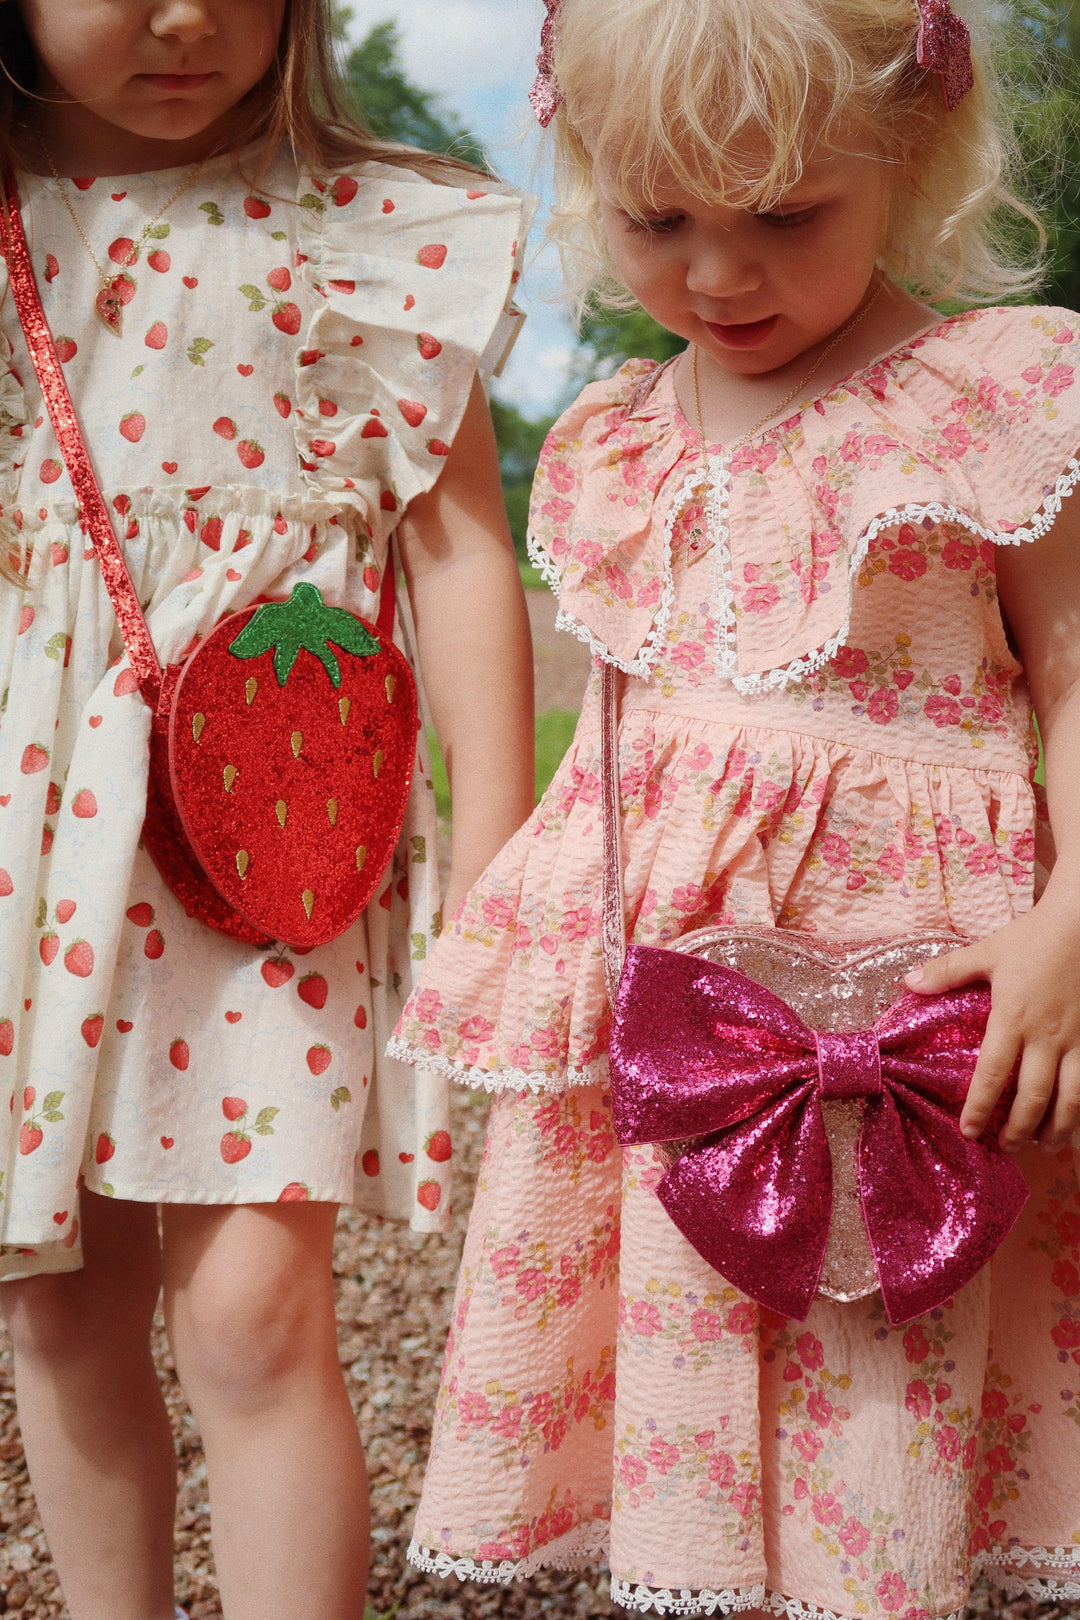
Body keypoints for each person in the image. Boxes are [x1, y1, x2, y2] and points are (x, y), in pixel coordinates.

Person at [389, 0, 1080, 1615]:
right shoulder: (623, 436)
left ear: (908, 158)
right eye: (655, 219)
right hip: (690, 1016)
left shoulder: (992, 393)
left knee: (876, 1380)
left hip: (913, 1002)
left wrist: (1068, 922)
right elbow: (615, 760)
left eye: (782, 215)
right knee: (686, 1366)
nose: (715, 275)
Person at [0, 3, 534, 1618]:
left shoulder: (372, 234)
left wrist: (503, 871)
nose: (189, 17)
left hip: (276, 844)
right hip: (29, 854)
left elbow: (456, 558)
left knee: (254, 1317)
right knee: (53, 1315)